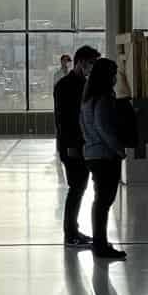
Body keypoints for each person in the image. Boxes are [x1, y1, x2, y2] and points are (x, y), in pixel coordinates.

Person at [79, 56, 127, 260]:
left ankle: (99, 242)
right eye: (114, 73)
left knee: (101, 200)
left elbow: (86, 126)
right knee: (104, 200)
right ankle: (100, 245)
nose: (116, 77)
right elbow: (104, 128)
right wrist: (118, 149)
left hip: (91, 152)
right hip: (104, 155)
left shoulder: (87, 97)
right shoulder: (104, 98)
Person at [53, 45, 99, 249]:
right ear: (81, 62)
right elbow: (66, 120)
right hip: (72, 146)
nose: (92, 68)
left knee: (79, 187)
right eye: (90, 63)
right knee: (76, 187)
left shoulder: (82, 83)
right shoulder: (66, 85)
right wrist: (71, 146)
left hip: (81, 144)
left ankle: (73, 230)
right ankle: (70, 233)